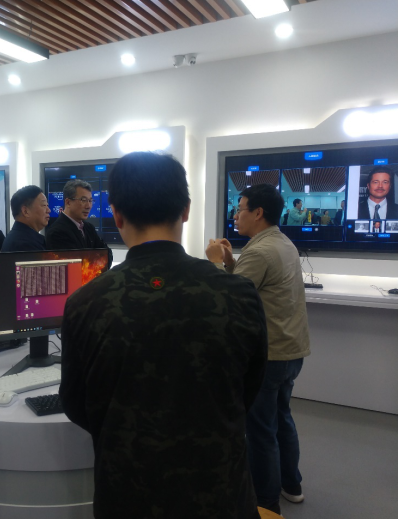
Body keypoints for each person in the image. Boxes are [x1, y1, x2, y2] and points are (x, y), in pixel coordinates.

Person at [60, 152, 268, 519]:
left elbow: (77, 403)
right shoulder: (238, 294)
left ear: (117, 215)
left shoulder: (84, 303)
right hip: (220, 493)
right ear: (186, 210)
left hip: (128, 494)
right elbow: (247, 390)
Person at [206, 184, 311, 515]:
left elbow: (229, 300)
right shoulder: (281, 242)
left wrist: (213, 264)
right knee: (282, 419)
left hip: (269, 355)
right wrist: (230, 262)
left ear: (258, 213)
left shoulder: (259, 252)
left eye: (240, 209)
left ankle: (265, 503)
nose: (236, 215)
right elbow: (248, 285)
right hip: (291, 351)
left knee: (261, 430)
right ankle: (291, 485)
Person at [45, 180, 113, 263]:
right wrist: (97, 261)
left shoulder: (89, 228)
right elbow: (74, 266)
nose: (88, 206)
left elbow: (107, 254)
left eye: (90, 201)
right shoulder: (56, 233)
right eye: (83, 200)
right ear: (68, 202)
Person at [0, 185, 49, 252]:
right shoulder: (25, 245)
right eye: (44, 205)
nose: (48, 210)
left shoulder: (20, 237)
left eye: (47, 205)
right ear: (25, 211)